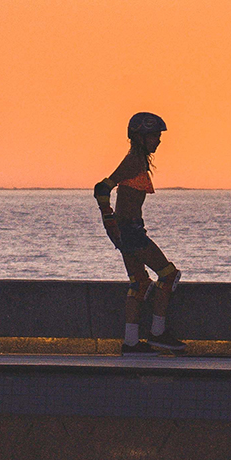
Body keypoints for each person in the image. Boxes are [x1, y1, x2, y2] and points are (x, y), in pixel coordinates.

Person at [93, 112, 183, 355]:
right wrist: (107, 217)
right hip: (130, 230)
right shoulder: (133, 161)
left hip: (126, 230)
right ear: (140, 137)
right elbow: (102, 188)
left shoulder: (138, 160)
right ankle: (158, 333)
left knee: (140, 283)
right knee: (168, 275)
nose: (159, 141)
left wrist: (112, 225)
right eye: (154, 136)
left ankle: (131, 342)